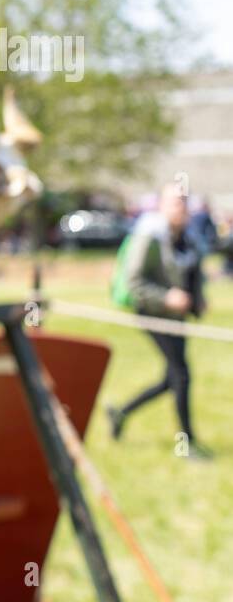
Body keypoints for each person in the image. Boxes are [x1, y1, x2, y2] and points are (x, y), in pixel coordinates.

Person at [107, 183, 209, 458]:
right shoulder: (149, 236)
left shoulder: (188, 237)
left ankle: (120, 412)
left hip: (177, 317)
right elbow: (134, 283)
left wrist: (198, 298)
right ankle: (186, 444)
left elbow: (194, 274)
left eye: (185, 202)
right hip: (153, 314)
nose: (182, 208)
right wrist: (166, 298)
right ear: (163, 206)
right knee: (182, 375)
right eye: (176, 203)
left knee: (171, 378)